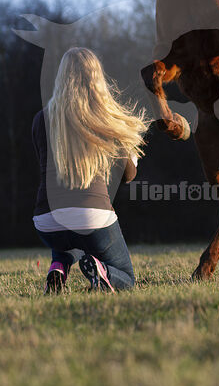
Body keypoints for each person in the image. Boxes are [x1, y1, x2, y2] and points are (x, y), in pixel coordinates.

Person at [32, 47, 149, 294]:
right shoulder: (104, 119)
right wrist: (132, 157)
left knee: (68, 227)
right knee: (127, 278)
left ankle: (58, 266)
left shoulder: (40, 119)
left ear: (61, 77)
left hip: (45, 220)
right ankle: (101, 270)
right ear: (97, 79)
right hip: (90, 217)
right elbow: (128, 176)